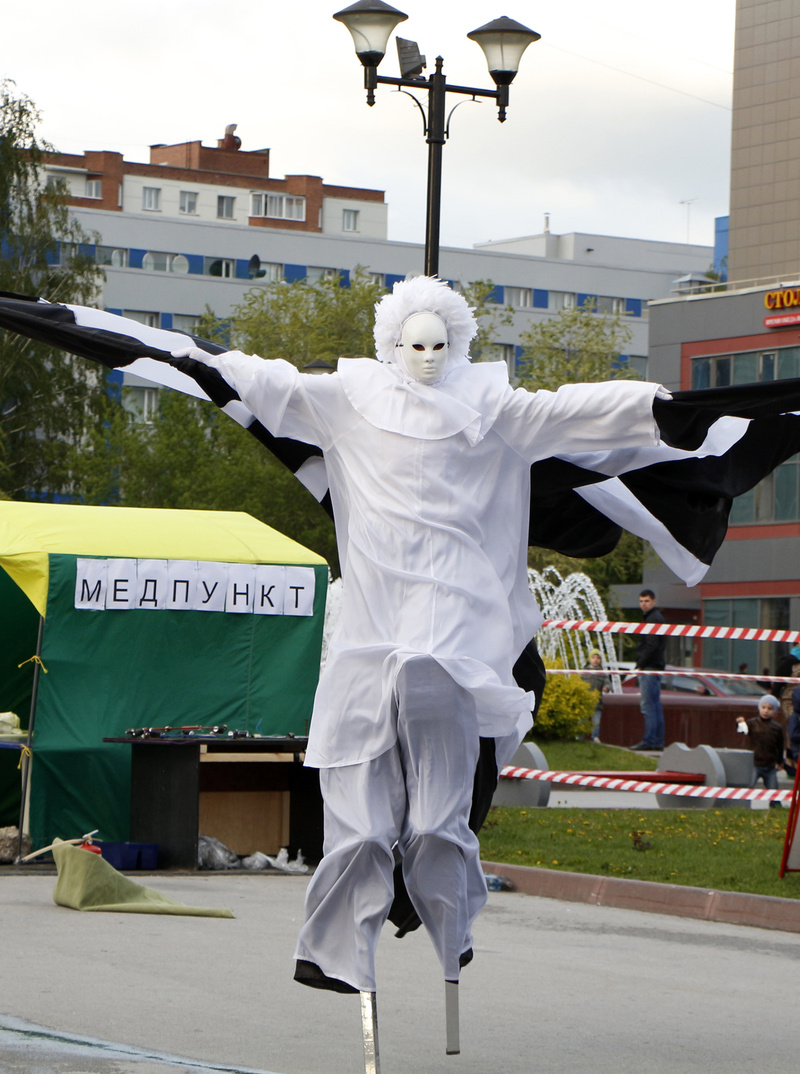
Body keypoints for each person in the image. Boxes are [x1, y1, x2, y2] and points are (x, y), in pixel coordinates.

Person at [175, 276, 669, 997]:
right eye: (416, 346)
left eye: (440, 346)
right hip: (373, 643)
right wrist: (165, 348)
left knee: (440, 819)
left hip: (452, 644)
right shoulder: (348, 400)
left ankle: (449, 919)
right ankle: (336, 951)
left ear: (457, 345)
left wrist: (669, 409)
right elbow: (258, 378)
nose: (429, 359)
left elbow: (579, 409)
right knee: (361, 823)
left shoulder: (493, 409)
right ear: (393, 345)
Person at [632, 589, 665, 751]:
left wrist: (641, 664)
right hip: (655, 666)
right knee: (655, 705)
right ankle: (657, 741)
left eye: (646, 601)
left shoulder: (652, 619)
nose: (643, 604)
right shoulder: (655, 617)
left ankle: (650, 740)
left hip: (650, 667)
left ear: (654, 601)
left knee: (648, 706)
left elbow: (651, 645)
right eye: (641, 601)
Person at [737, 694, 785, 805]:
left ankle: (775, 807)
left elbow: (780, 746)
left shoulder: (777, 728)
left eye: (770, 708)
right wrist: (740, 722)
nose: (766, 711)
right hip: (754, 763)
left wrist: (780, 761)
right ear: (759, 708)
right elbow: (742, 730)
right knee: (748, 787)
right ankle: (743, 806)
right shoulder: (752, 723)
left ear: (774, 711)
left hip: (770, 765)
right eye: (763, 707)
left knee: (774, 791)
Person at [580, 649, 610, 743]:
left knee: (596, 721)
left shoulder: (602, 673)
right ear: (589, 659)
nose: (596, 660)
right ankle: (580, 736)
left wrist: (606, 687)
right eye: (593, 657)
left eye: (598, 658)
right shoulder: (584, 671)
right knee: (582, 720)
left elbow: (608, 683)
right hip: (585, 701)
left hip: (597, 702)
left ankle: (595, 737)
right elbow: (578, 681)